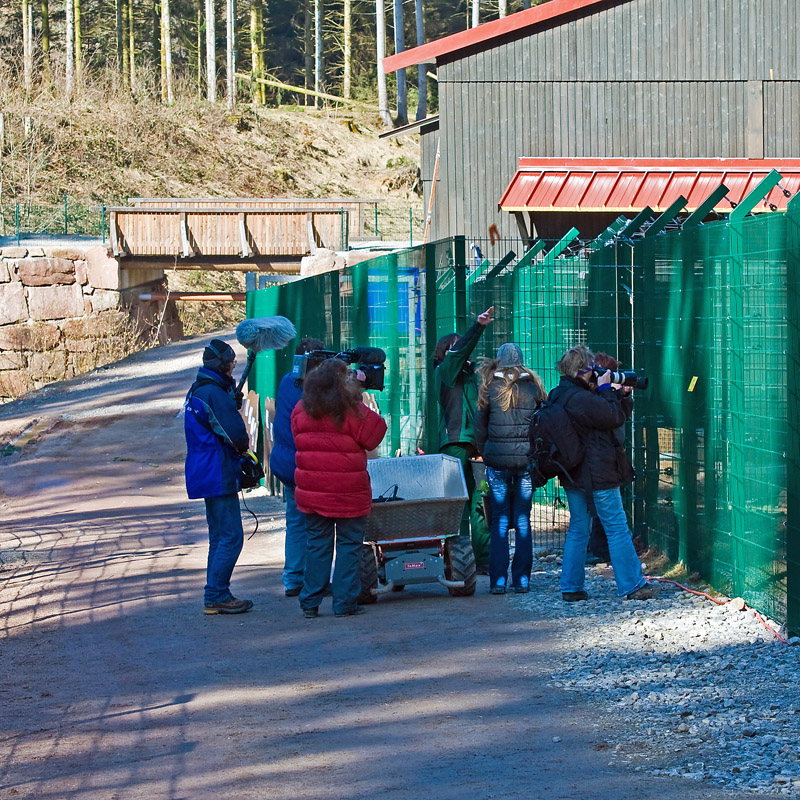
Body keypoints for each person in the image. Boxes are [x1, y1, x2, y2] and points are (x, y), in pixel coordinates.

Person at [550, 344, 658, 601]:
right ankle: (632, 584)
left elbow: (606, 418)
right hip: (597, 473)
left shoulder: (559, 394)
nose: (596, 372)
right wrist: (608, 389)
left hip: (572, 471)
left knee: (578, 527)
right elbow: (612, 417)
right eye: (592, 368)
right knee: (617, 527)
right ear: (582, 370)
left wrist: (617, 394)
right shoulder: (583, 399)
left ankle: (571, 587)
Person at [291, 358, 387, 618]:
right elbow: (375, 434)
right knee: (348, 545)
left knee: (317, 546)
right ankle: (344, 603)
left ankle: (310, 602)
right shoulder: (351, 410)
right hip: (348, 491)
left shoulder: (301, 409)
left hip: (312, 490)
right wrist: (358, 396)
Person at [184, 338, 253, 615]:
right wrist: (229, 407)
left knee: (219, 536)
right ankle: (216, 594)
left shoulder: (199, 388)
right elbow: (236, 436)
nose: (234, 369)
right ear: (223, 366)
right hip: (217, 471)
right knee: (232, 536)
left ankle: (215, 593)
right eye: (232, 364)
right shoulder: (213, 394)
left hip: (204, 470)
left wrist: (228, 400)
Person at [475, 343, 545, 594]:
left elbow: (480, 427)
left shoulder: (489, 387)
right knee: (523, 519)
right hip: (526, 461)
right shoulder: (534, 387)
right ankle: (522, 579)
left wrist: (487, 452)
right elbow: (542, 422)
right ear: (521, 360)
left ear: (499, 361)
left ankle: (498, 581)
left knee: (500, 521)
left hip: (497, 464)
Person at [433, 306, 494, 568]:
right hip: (455, 444)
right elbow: (458, 355)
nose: (465, 353)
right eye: (458, 348)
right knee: (458, 507)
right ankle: (455, 562)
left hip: (475, 446)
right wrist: (478, 327)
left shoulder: (469, 377)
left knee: (480, 504)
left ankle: (483, 561)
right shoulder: (445, 372)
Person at [269, 337, 325, 597]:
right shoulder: (316, 389)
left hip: (286, 464)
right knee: (316, 525)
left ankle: (293, 578)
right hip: (307, 465)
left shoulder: (285, 382)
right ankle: (314, 580)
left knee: (295, 523)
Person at [585, 352, 628, 565]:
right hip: (600, 464)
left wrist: (622, 396)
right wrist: (608, 393)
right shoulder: (596, 399)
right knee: (611, 520)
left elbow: (620, 419)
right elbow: (611, 421)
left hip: (601, 463)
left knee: (594, 515)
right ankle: (600, 550)